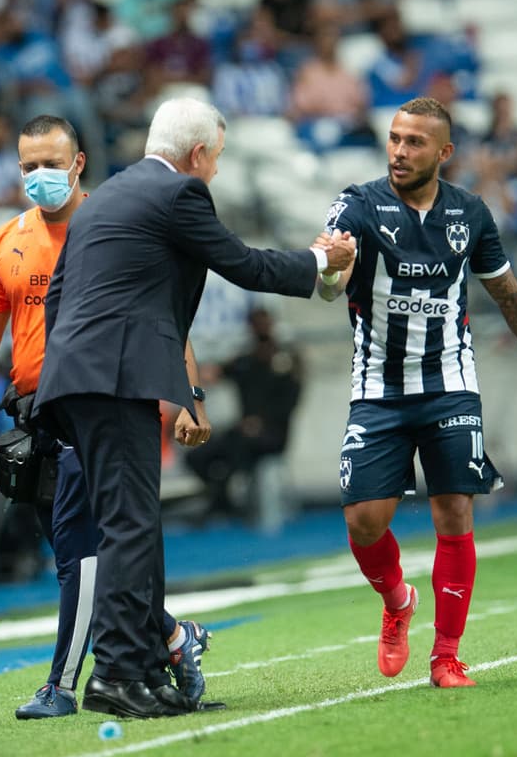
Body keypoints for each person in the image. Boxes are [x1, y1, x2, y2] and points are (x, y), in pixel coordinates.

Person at [32, 97, 355, 719]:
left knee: (130, 523)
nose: (214, 172)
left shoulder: (109, 198)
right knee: (129, 526)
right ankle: (119, 675)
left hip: (78, 377)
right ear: (199, 153)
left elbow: (62, 297)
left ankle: (146, 673)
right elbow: (244, 264)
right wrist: (322, 260)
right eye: (217, 159)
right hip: (115, 378)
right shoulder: (179, 195)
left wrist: (73, 369)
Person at [0, 114, 218, 719]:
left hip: (102, 403)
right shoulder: (6, 241)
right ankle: (175, 638)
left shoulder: (116, 224)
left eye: (51, 163)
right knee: (86, 558)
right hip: (35, 416)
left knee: (84, 557)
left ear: (78, 164)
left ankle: (64, 685)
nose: (39, 175)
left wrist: (191, 395)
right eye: (27, 166)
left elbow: (162, 316)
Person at [313, 97, 517, 689]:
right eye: (395, 139)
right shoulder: (358, 203)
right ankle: (397, 600)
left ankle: (447, 656)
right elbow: (330, 287)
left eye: (415, 142)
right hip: (377, 386)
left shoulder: (470, 214)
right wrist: (332, 268)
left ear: (444, 152)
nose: (400, 151)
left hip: (450, 385)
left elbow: (508, 296)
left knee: (454, 512)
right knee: (364, 522)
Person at [186, 308, 304, 520]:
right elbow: (213, 373)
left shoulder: (286, 361)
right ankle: (222, 500)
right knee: (197, 455)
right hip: (243, 431)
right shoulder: (245, 360)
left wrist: (262, 422)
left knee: (236, 450)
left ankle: (223, 503)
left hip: (273, 434)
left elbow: (291, 402)